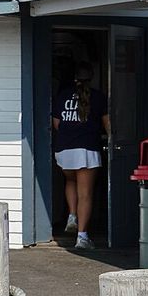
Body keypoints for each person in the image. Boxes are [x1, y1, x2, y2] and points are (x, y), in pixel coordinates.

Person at [51, 62, 109, 250]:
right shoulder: (98, 97)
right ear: (91, 76)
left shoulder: (62, 96)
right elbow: (107, 125)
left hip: (65, 149)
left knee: (70, 181)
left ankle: (72, 215)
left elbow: (57, 124)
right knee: (86, 194)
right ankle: (82, 237)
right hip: (87, 149)